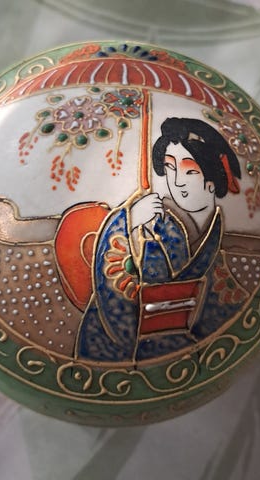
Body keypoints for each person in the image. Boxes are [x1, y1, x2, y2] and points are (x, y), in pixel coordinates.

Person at [75, 117, 246, 363]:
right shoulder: (149, 224)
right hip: (121, 350)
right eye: (170, 168)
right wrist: (128, 221)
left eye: (190, 171)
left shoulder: (217, 237)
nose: (177, 182)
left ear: (213, 178)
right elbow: (113, 286)